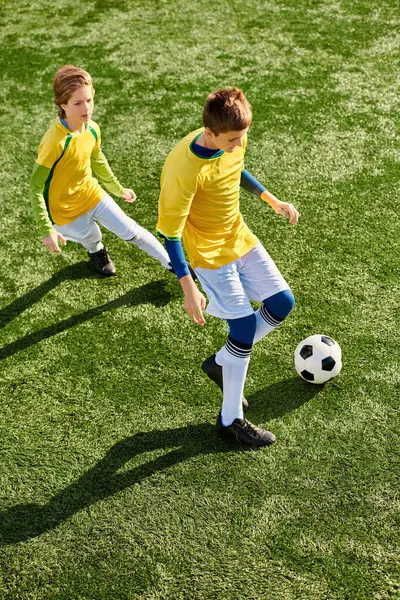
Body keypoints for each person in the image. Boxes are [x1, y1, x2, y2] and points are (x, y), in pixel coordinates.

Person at [157, 87, 299, 448]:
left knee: (282, 303)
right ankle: (230, 419)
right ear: (211, 133)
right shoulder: (183, 169)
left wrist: (271, 199)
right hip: (208, 252)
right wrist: (188, 286)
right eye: (232, 139)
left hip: (239, 234)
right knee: (243, 326)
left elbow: (235, 169)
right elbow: (170, 233)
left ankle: (223, 362)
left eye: (241, 137)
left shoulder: (233, 138)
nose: (239, 144)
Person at [30, 64, 171, 276]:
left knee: (131, 231)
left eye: (89, 100)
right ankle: (96, 251)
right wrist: (46, 229)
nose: (86, 108)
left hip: (91, 193)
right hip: (64, 209)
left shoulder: (93, 129)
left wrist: (117, 188)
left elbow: (97, 158)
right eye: (77, 103)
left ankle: (174, 265)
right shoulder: (54, 143)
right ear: (63, 105)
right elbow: (35, 186)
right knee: (91, 236)